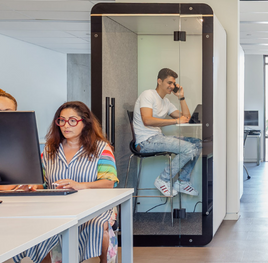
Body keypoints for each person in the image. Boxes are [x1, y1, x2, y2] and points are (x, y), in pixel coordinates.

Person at [13, 101, 118, 263]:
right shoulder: (49, 149)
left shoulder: (101, 148)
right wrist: (33, 185)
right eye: (61, 120)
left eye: (72, 120)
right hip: (56, 206)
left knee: (95, 225)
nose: (66, 125)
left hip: (95, 206)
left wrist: (80, 185)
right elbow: (43, 182)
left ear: (85, 123)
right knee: (36, 224)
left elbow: (109, 183)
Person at [133, 68, 202, 197]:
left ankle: (182, 182)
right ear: (159, 81)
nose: (172, 86)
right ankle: (163, 179)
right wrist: (175, 121)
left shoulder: (166, 102)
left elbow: (186, 118)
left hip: (158, 138)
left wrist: (181, 97)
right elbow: (147, 120)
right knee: (189, 149)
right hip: (145, 142)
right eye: (169, 83)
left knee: (198, 143)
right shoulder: (148, 95)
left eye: (173, 84)